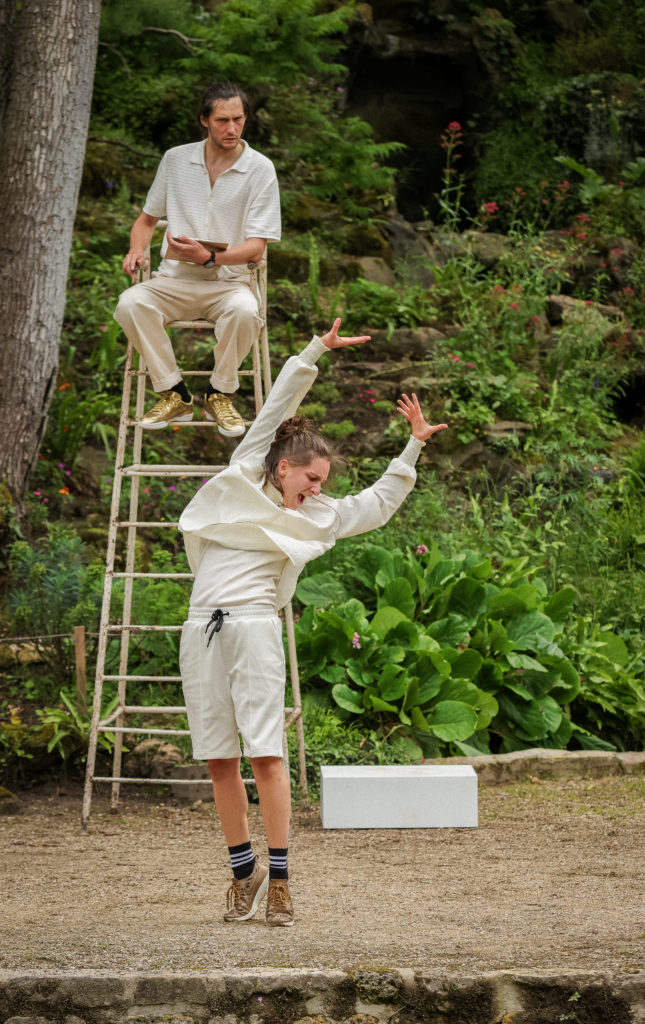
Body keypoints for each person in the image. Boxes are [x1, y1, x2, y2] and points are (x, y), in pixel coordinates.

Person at [177, 317, 447, 927]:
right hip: (201, 626)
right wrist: (314, 351)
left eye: (323, 483)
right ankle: (240, 869)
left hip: (252, 624)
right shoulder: (245, 473)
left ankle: (279, 879)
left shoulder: (318, 514)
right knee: (219, 756)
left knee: (264, 752)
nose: (318, 489)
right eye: (312, 478)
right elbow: (275, 407)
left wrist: (414, 445)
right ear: (284, 468)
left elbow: (376, 506)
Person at [114, 82, 280, 438]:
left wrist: (210, 257)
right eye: (222, 120)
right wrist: (136, 249)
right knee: (130, 303)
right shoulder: (176, 159)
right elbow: (146, 220)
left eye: (238, 119)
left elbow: (256, 247)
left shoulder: (261, 169)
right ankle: (175, 393)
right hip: (172, 279)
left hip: (228, 284)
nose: (232, 129)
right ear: (204, 120)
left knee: (246, 311)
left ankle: (220, 393)